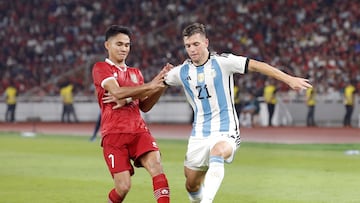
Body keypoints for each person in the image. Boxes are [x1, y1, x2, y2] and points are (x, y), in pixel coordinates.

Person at [163, 22, 312, 203]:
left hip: (226, 130)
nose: (192, 49)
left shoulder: (224, 62)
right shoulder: (181, 72)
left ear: (206, 43)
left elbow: (257, 65)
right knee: (191, 185)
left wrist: (288, 79)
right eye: (188, 46)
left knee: (218, 152)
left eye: (196, 44)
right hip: (199, 134)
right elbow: (159, 82)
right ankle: (198, 198)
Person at [92, 25, 170, 203]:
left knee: (157, 167)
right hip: (114, 134)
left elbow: (145, 106)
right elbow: (117, 92)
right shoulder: (101, 68)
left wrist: (161, 86)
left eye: (127, 45)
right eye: (119, 44)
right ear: (107, 45)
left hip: (139, 131)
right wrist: (149, 86)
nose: (124, 49)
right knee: (123, 186)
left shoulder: (136, 73)